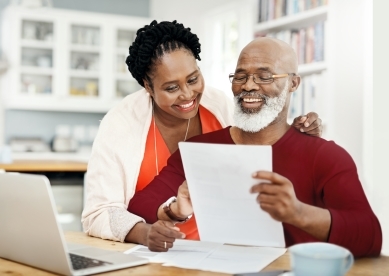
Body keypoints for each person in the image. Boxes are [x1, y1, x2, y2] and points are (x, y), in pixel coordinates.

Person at [127, 37, 382, 257]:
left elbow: (369, 236)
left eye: (264, 76)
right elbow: (139, 205)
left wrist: (298, 212)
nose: (248, 85)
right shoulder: (200, 149)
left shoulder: (326, 155)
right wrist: (174, 211)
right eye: (240, 76)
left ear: (293, 83)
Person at [81, 21, 322, 247]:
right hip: (153, 251)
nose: (187, 94)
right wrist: (143, 233)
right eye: (171, 88)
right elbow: (98, 213)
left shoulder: (218, 107)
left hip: (217, 247)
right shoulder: (121, 124)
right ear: (147, 86)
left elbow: (259, 150)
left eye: (193, 79)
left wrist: (299, 135)